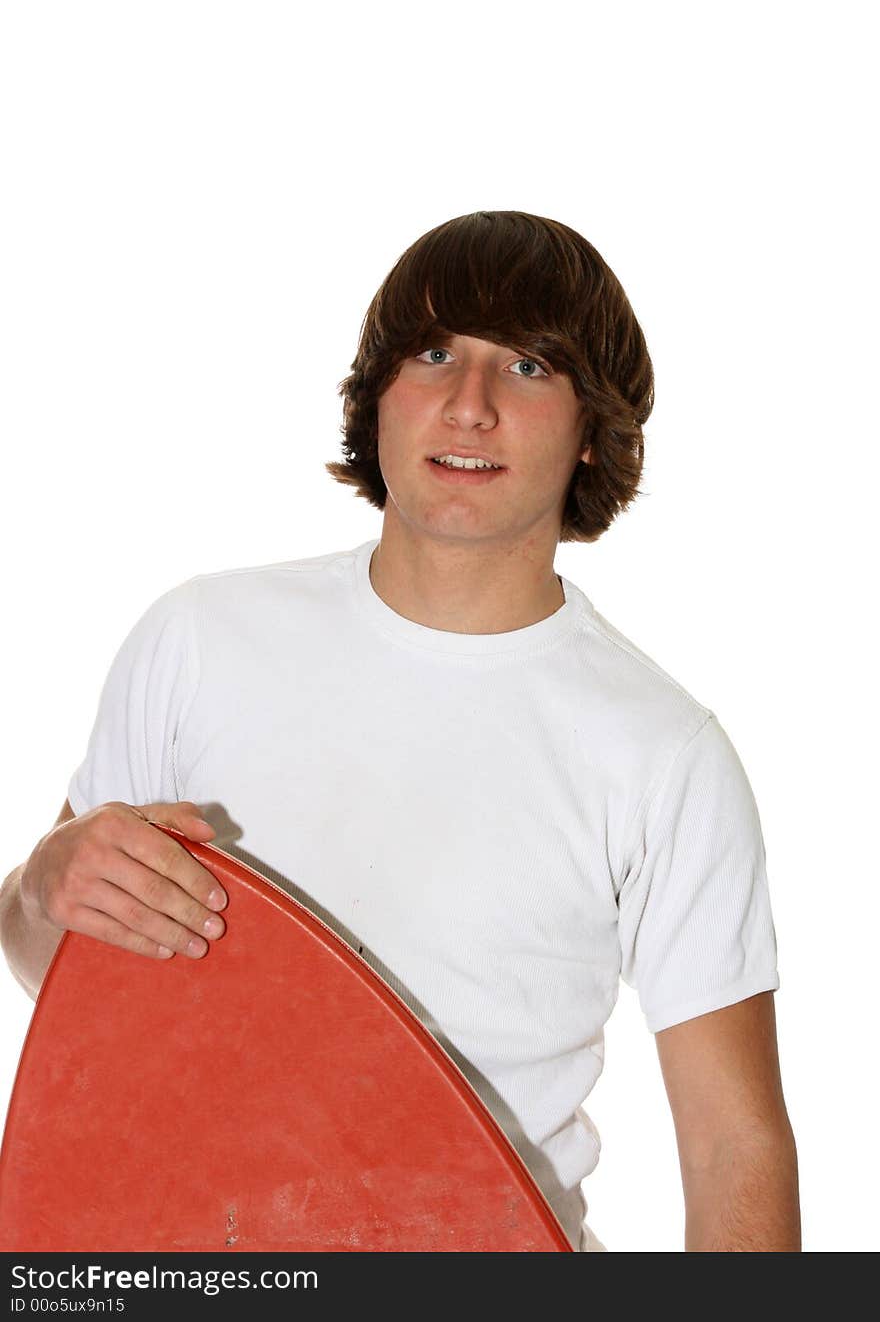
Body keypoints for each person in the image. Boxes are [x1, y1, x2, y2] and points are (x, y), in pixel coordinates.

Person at [0, 210, 800, 1252]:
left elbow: (733, 1148)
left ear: (594, 430)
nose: (468, 406)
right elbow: (47, 956)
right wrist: (39, 885)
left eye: (526, 365)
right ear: (374, 399)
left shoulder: (660, 752)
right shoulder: (199, 640)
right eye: (432, 354)